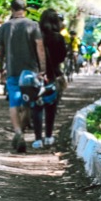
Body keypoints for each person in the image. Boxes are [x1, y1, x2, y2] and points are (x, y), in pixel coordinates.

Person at [0, 0, 45, 154]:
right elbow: (40, 48)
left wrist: (0, 68)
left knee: (14, 103)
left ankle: (18, 132)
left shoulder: (5, 27)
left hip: (12, 71)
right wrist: (42, 70)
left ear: (11, 9)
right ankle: (20, 130)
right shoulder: (33, 25)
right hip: (30, 72)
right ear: (25, 9)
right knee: (28, 103)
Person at [31, 9, 69, 148]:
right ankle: (48, 136)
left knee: (37, 106)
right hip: (53, 74)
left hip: (37, 74)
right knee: (51, 106)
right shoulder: (58, 37)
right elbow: (62, 57)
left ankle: (37, 139)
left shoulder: (36, 36)